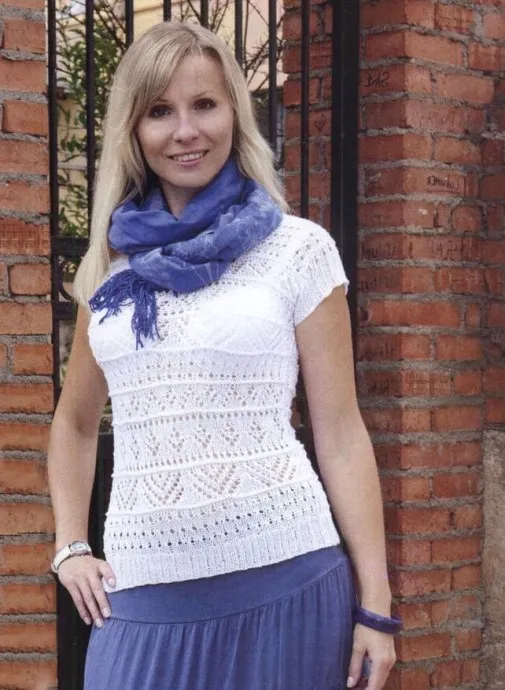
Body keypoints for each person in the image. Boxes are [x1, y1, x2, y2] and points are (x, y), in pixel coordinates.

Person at [47, 20, 399, 690]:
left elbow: (340, 432)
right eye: (160, 111)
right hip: (142, 594)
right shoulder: (109, 272)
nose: (186, 131)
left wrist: (375, 607)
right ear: (133, 129)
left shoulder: (296, 250)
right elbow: (75, 423)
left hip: (289, 582)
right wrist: (70, 546)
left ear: (235, 113)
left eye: (204, 104)